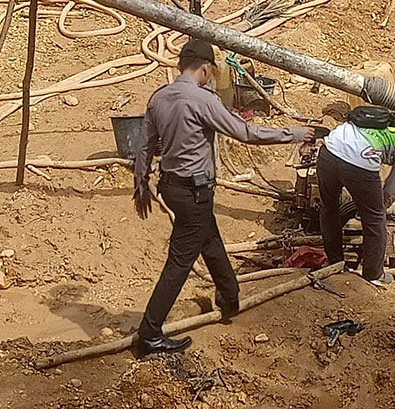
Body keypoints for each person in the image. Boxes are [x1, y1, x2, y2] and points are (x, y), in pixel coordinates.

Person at [133, 39, 314, 355]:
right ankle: (149, 332)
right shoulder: (203, 100)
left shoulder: (158, 98)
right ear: (205, 68)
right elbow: (246, 133)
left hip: (171, 188)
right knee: (180, 260)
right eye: (211, 72)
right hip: (194, 190)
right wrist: (294, 134)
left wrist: (140, 182)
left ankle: (229, 296)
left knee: (210, 240)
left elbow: (145, 145)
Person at [317, 105, 395, 286]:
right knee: (375, 218)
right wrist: (380, 205)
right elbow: (391, 187)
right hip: (358, 164)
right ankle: (373, 274)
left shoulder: (382, 119)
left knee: (329, 208)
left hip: (328, 151)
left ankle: (334, 262)